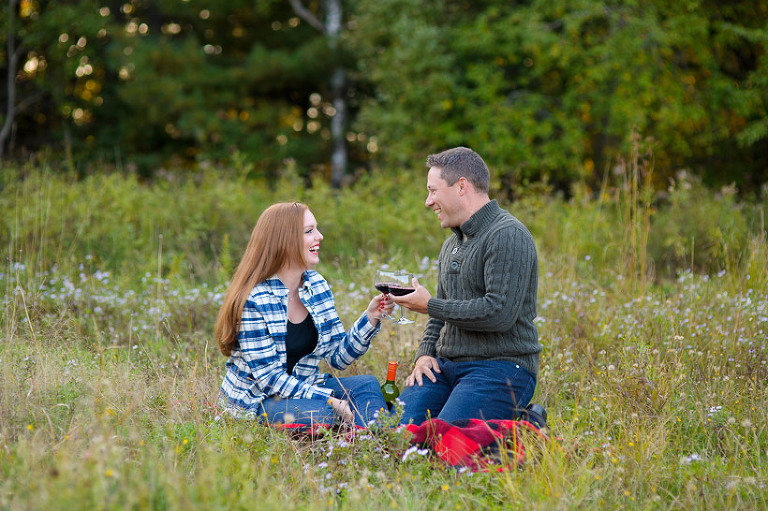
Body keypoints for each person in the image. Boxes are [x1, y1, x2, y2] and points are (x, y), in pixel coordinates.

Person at [390, 147, 543, 425]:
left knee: (446, 445)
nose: (428, 201)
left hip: (500, 367)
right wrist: (424, 355)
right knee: (396, 435)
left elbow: (498, 313)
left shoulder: (508, 235)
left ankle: (527, 424)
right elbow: (440, 315)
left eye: (433, 190)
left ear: (461, 186)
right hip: (447, 367)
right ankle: (497, 420)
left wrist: (429, 305)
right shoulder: (452, 243)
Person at [216, 202, 394, 427]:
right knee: (325, 413)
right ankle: (368, 428)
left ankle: (378, 438)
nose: (319, 236)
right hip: (261, 398)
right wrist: (329, 400)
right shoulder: (254, 300)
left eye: (316, 229)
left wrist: (370, 318)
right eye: (309, 231)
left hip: (306, 384)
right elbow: (270, 380)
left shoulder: (316, 284)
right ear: (285, 240)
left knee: (366, 384)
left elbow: (338, 358)